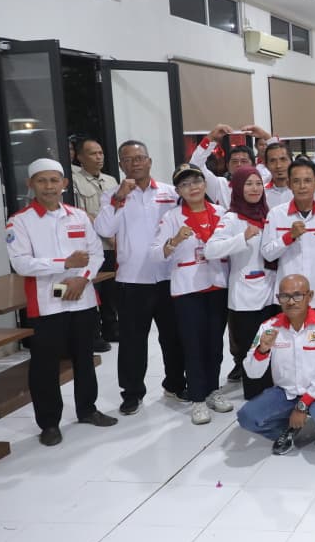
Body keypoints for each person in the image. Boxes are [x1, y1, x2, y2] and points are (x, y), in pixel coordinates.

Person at [7, 158, 118, 445]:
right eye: (42, 181)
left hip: (82, 299)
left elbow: (96, 254)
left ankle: (87, 409)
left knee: (85, 358)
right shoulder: (20, 221)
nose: (49, 186)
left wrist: (82, 278)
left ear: (64, 184)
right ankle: (49, 423)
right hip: (46, 304)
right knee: (45, 365)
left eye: (54, 180)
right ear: (30, 184)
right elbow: (21, 263)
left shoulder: (78, 216)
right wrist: (63, 264)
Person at [94, 140, 185, 415]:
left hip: (169, 276)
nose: (135, 163)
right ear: (120, 164)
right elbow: (104, 229)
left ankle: (175, 384)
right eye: (128, 159)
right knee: (132, 341)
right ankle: (132, 393)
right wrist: (119, 198)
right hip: (132, 280)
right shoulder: (111, 196)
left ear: (149, 161)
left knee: (173, 337)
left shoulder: (170, 193)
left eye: (139, 158)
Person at [150, 164, 231, 425]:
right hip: (188, 290)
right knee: (193, 344)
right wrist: (174, 241)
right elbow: (155, 254)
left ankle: (212, 390)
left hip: (217, 285)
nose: (192, 187)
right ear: (178, 191)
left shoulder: (220, 213)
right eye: (185, 184)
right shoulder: (172, 217)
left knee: (215, 343)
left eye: (196, 181)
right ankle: (197, 398)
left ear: (205, 184)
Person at [238, 274, 315, 454]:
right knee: (247, 417)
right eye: (284, 296)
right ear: (278, 298)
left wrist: (302, 405)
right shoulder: (268, 327)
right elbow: (252, 373)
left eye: (297, 295)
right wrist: (262, 350)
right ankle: (286, 430)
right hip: (284, 392)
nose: (290, 302)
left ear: (310, 296)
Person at [204, 166, 277, 399]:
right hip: (246, 298)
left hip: (272, 294)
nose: (255, 189)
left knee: (273, 346)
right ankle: (255, 396)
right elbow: (210, 250)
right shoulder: (232, 218)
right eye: (248, 184)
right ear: (237, 188)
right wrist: (241, 238)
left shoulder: (269, 215)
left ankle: (274, 394)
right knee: (251, 349)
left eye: (258, 183)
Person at [262, 159, 315, 314]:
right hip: (287, 297)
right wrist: (288, 237)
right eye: (296, 181)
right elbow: (267, 253)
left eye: (307, 181)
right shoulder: (276, 214)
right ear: (289, 184)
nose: (302, 186)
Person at [70, 137, 118, 349]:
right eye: (92, 153)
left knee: (110, 289)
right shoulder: (74, 180)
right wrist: (107, 234)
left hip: (112, 245)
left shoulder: (110, 180)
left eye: (100, 153)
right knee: (92, 288)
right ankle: (94, 333)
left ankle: (111, 327)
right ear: (80, 157)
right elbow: (81, 212)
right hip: (91, 245)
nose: (98, 157)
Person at [262, 141, 295, 209]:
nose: (278, 165)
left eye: (283, 159)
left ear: (291, 162)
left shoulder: (303, 190)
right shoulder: (261, 193)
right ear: (266, 165)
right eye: (272, 161)